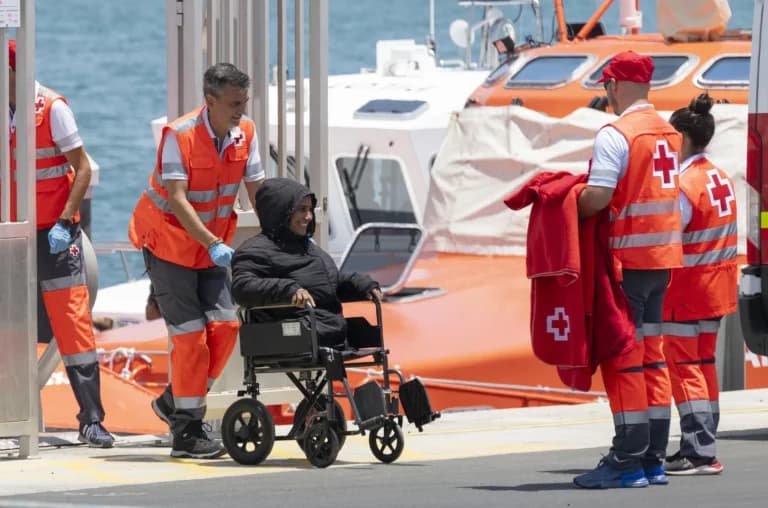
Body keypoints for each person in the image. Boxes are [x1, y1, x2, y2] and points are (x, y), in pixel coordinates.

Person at [128, 62, 265, 459]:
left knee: (225, 327)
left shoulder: (246, 133)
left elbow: (257, 189)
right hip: (169, 247)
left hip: (209, 250)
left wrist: (276, 233)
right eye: (234, 104)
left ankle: (174, 402)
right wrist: (212, 242)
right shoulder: (179, 135)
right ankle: (187, 432)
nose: (241, 111)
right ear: (210, 101)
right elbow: (177, 199)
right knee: (190, 337)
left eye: (244, 102)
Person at [574, 50, 684, 489]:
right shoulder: (669, 133)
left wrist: (568, 206)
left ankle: (626, 459)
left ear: (614, 85)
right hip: (662, 264)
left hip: (627, 267)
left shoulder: (616, 134)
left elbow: (599, 195)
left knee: (624, 362)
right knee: (653, 358)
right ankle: (654, 458)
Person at [2, 40, 114, 447]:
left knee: (72, 322)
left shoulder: (52, 108)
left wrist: (66, 221)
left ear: (11, 71)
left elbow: (81, 168)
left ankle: (92, 420)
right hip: (10, 234)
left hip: (54, 232)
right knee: (9, 324)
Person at [661, 94, 736, 476]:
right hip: (716, 290)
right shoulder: (720, 177)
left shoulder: (684, 185)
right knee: (704, 365)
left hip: (686, 292)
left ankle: (698, 452)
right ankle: (705, 444)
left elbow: (667, 236)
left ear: (682, 138)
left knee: (684, 368)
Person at [231, 177, 382, 347]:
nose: (309, 216)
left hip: (331, 334)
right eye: (302, 210)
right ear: (281, 211)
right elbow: (242, 287)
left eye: (310, 209)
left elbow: (327, 284)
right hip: (295, 338)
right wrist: (288, 290)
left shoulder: (309, 248)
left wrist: (359, 284)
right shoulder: (255, 250)